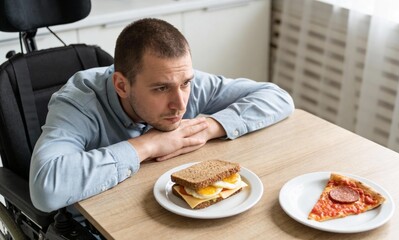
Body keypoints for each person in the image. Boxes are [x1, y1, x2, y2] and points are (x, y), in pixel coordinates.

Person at [29, 18, 294, 213]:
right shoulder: (78, 102)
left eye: (186, 83)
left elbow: (278, 97)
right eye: (160, 89)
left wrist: (209, 126)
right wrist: (150, 144)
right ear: (121, 85)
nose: (179, 104)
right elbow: (46, 189)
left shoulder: (179, 79)